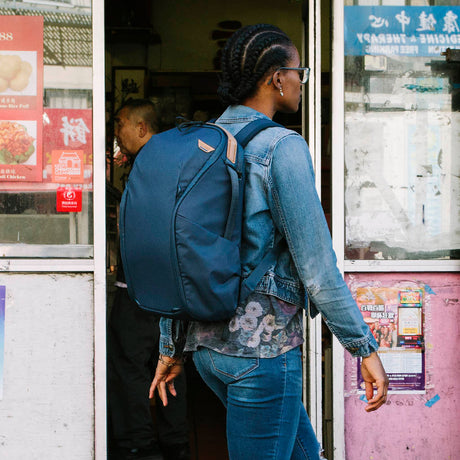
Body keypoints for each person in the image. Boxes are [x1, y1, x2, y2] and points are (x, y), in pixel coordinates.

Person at [149, 24, 389, 460]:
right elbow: (317, 267)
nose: (301, 82)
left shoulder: (200, 142)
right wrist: (363, 347)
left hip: (207, 350)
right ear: (277, 79)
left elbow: (176, 254)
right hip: (262, 353)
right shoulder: (281, 147)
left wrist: (171, 346)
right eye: (300, 72)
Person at [107, 99, 190, 460]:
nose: (116, 133)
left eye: (120, 123)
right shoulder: (173, 160)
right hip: (172, 291)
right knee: (170, 366)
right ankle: (176, 444)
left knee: (131, 369)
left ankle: (137, 446)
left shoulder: (148, 165)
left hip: (140, 292)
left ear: (141, 127)